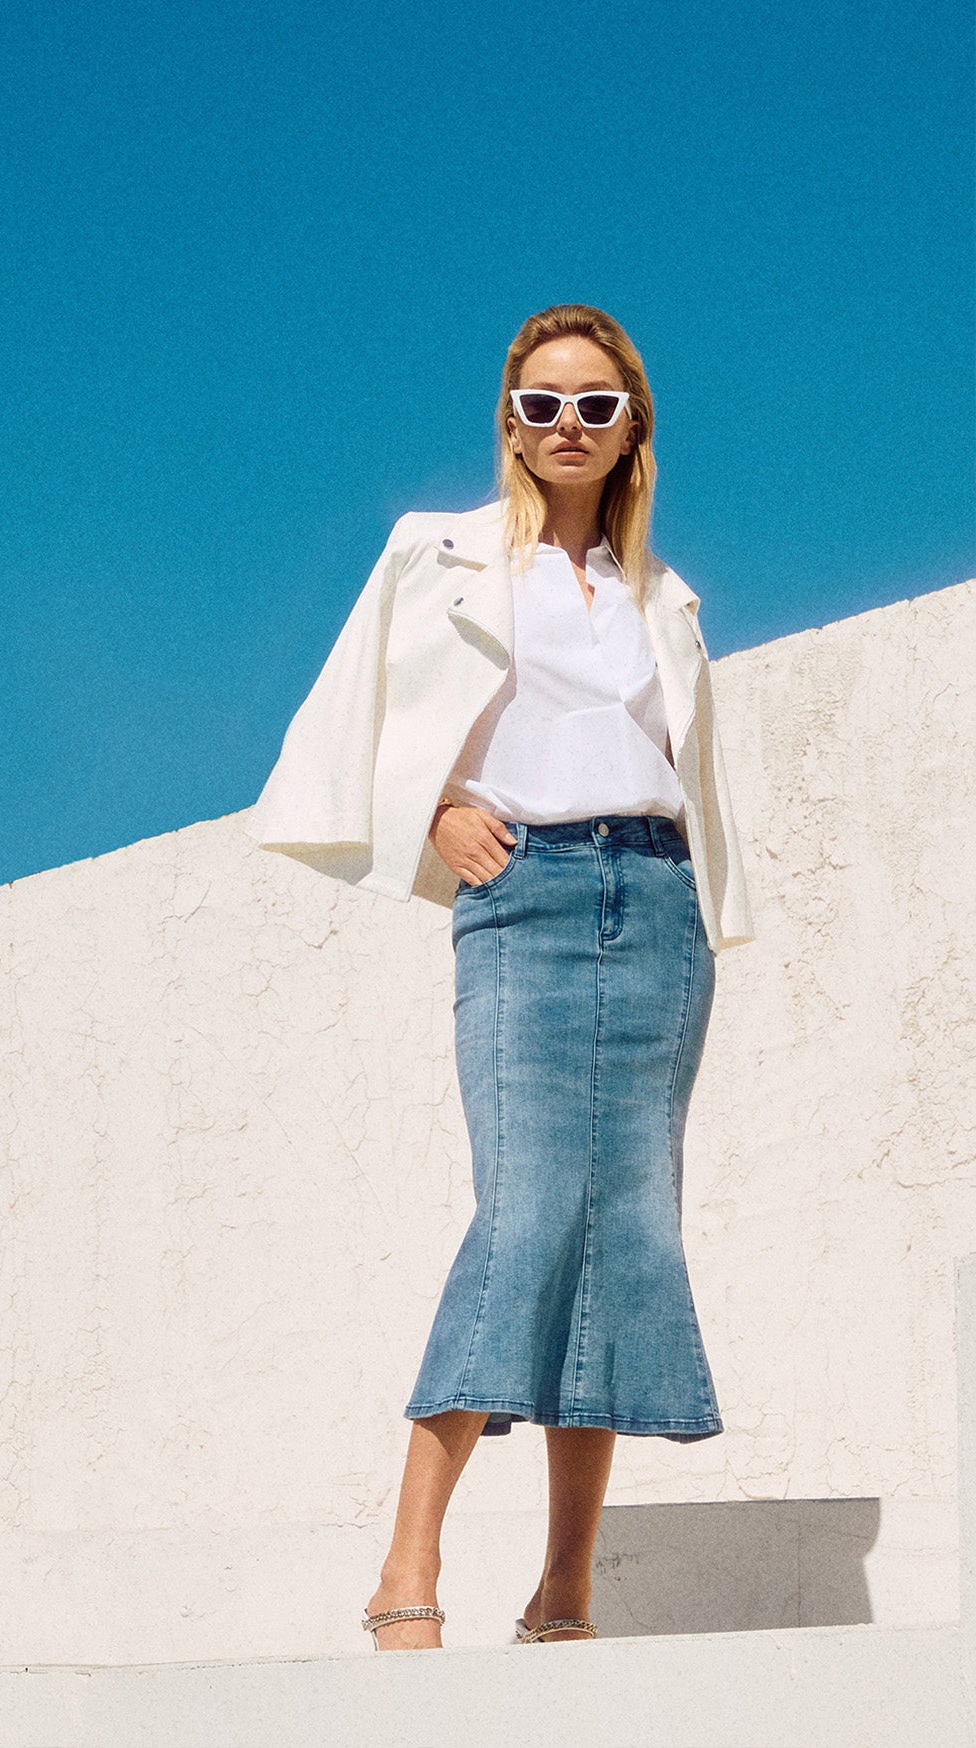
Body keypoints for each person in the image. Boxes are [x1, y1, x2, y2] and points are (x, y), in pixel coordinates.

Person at [244, 303, 755, 1652]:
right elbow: (342, 722)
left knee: (627, 1229)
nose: (565, 426)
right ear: (509, 425)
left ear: (632, 426)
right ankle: (406, 1562)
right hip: (524, 903)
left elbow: (678, 765)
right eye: (540, 404)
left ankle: (564, 1586)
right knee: (525, 1213)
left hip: (656, 904)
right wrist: (429, 813)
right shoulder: (439, 554)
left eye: (593, 404)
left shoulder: (663, 596)